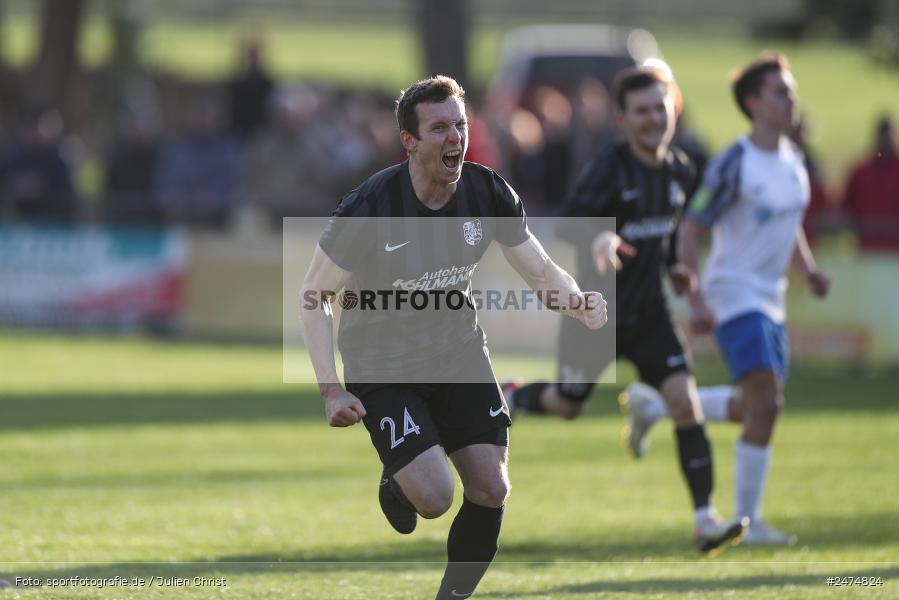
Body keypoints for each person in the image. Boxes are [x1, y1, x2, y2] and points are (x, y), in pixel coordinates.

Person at [299, 75, 607, 600]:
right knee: (435, 497)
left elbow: (539, 270)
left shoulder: (487, 192)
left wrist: (576, 301)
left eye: (460, 125)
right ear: (410, 141)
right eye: (439, 128)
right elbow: (314, 294)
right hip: (382, 366)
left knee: (491, 487)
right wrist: (331, 388)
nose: (455, 137)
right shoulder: (371, 206)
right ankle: (401, 477)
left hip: (458, 354)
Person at [506, 66, 747, 553]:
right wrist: (602, 237)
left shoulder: (679, 170)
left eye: (660, 108)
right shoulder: (610, 168)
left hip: (650, 313)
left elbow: (668, 232)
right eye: (642, 111)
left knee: (686, 403)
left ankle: (705, 519)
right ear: (623, 119)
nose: (654, 118)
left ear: (674, 107)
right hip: (596, 314)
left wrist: (677, 272)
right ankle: (516, 394)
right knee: (568, 406)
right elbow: (568, 224)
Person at [671, 52, 831, 545]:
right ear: (753, 103)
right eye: (781, 92)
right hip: (733, 292)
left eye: (791, 92)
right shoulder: (733, 163)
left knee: (758, 406)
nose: (791, 100)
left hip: (771, 297)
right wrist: (697, 299)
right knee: (767, 395)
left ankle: (659, 405)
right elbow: (691, 228)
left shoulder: (794, 159)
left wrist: (808, 270)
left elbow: (790, 224)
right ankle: (749, 522)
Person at [841, 116, 899, 251]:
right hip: (867, 251)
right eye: (883, 138)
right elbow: (846, 208)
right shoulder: (860, 172)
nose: (886, 143)